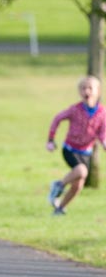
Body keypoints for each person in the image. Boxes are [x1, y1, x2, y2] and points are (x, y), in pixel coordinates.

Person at [46, 75, 106, 215]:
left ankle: (60, 209)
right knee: (81, 171)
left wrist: (104, 142)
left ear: (98, 91)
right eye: (83, 88)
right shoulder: (75, 109)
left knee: (78, 185)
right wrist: (51, 139)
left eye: (90, 88)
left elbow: (102, 132)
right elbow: (57, 119)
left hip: (86, 152)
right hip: (70, 149)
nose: (87, 91)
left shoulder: (102, 112)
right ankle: (58, 185)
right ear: (79, 92)